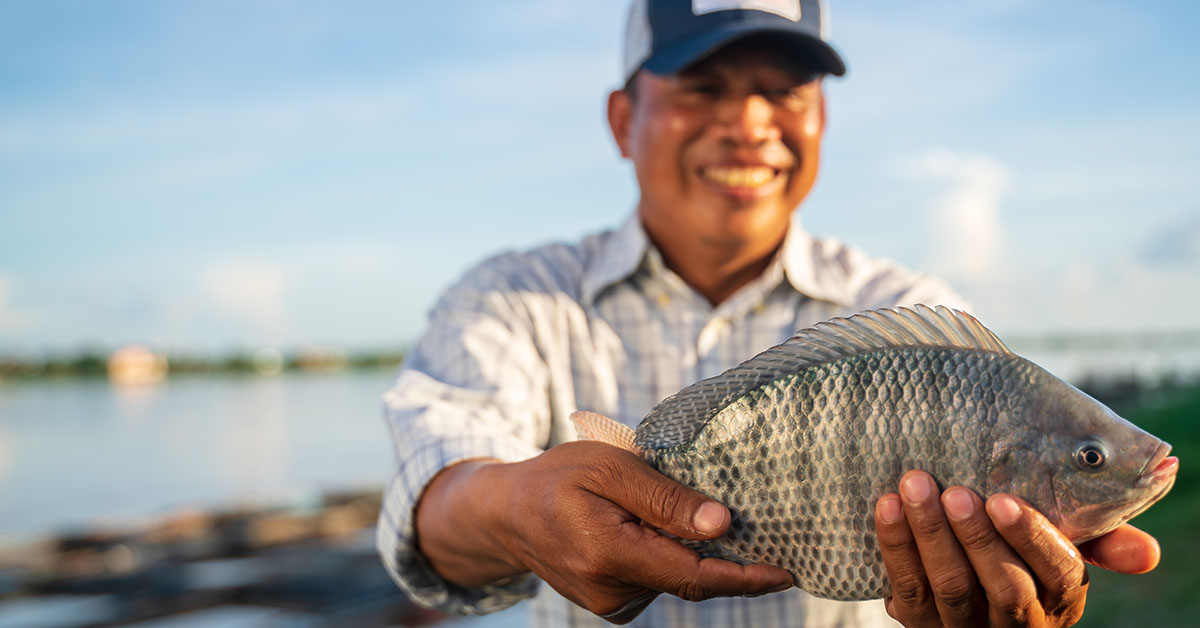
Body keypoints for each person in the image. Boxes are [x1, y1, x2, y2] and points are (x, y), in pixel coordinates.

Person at [377, 1, 1161, 626]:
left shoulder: (909, 306)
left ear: (821, 119)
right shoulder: (510, 298)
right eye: (702, 85)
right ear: (622, 120)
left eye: (783, 91)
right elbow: (435, 492)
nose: (749, 123)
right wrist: (513, 507)